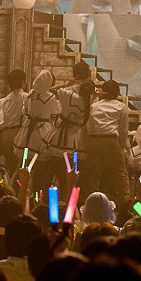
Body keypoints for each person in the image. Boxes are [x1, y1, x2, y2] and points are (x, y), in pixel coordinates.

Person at [44, 62, 94, 190]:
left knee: (54, 168)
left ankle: (45, 195)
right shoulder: (89, 92)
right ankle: (71, 197)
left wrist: (67, 84)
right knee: (73, 170)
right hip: (77, 139)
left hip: (60, 136)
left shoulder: (68, 91)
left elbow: (49, 90)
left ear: (75, 75)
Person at [13, 69, 61, 188]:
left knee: (23, 164)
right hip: (43, 132)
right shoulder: (52, 98)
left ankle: (18, 189)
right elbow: (56, 114)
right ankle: (36, 191)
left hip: (27, 132)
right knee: (40, 165)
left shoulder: (31, 94)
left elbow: (25, 110)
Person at [85, 80, 130, 200]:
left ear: (103, 92)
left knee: (93, 174)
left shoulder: (94, 106)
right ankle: (126, 202)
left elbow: (88, 125)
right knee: (120, 174)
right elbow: (123, 130)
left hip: (93, 140)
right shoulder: (121, 107)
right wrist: (120, 147)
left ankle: (91, 202)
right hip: (111, 140)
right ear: (117, 93)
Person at [0, 69, 28, 177]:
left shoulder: (5, 99)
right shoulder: (26, 97)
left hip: (5, 134)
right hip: (19, 133)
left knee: (11, 165)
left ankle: (11, 183)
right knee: (21, 165)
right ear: (23, 82)